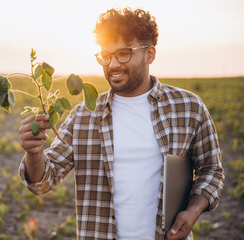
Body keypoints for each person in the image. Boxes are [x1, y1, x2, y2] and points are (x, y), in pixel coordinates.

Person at [18, 7, 224, 240]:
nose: (113, 64)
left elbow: (211, 170)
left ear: (150, 54)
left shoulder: (188, 107)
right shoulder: (83, 116)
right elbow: (43, 182)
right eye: (106, 55)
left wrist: (192, 211)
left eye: (123, 53)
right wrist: (33, 152)